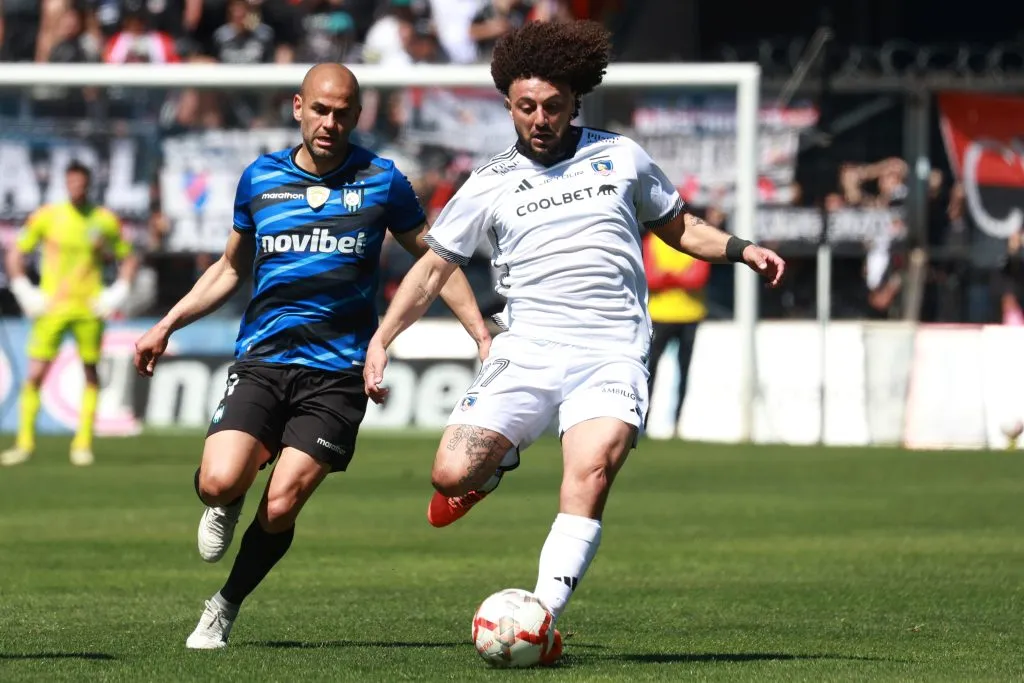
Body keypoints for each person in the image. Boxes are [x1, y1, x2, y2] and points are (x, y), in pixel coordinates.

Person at [361, 20, 785, 663]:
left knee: (591, 469)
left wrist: (742, 249)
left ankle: (540, 621)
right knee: (449, 472)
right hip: (525, 349)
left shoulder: (622, 156)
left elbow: (680, 227)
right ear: (507, 103)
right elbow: (431, 271)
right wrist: (383, 338)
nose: (540, 118)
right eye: (526, 106)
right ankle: (494, 468)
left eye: (553, 107)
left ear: (574, 102)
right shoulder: (489, 181)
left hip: (611, 350)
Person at [132, 63, 490, 650]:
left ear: (357, 115)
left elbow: (434, 261)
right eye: (321, 109)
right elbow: (229, 268)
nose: (330, 122)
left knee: (283, 503)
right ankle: (226, 496)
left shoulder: (382, 181)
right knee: (220, 482)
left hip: (338, 373)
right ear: (298, 107)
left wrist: (479, 332)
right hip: (263, 360)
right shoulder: (260, 179)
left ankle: (223, 607)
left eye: (343, 112)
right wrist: (167, 323)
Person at [2, 160, 137, 467]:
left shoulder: (103, 220)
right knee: (35, 373)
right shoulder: (48, 216)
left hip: (89, 309)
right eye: (72, 182)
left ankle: (83, 443)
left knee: (90, 372)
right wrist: (24, 288)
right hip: (51, 308)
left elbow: (128, 258)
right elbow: (15, 252)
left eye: (81, 183)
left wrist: (118, 291)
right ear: (65, 183)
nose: (76, 188)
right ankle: (24, 443)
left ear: (89, 185)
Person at [642, 207, 716, 439]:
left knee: (683, 372)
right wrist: (677, 278)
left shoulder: (696, 238)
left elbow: (697, 279)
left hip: (688, 315)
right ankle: (642, 421)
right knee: (649, 372)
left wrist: (667, 277)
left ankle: (676, 423)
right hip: (660, 316)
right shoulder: (652, 240)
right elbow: (650, 278)